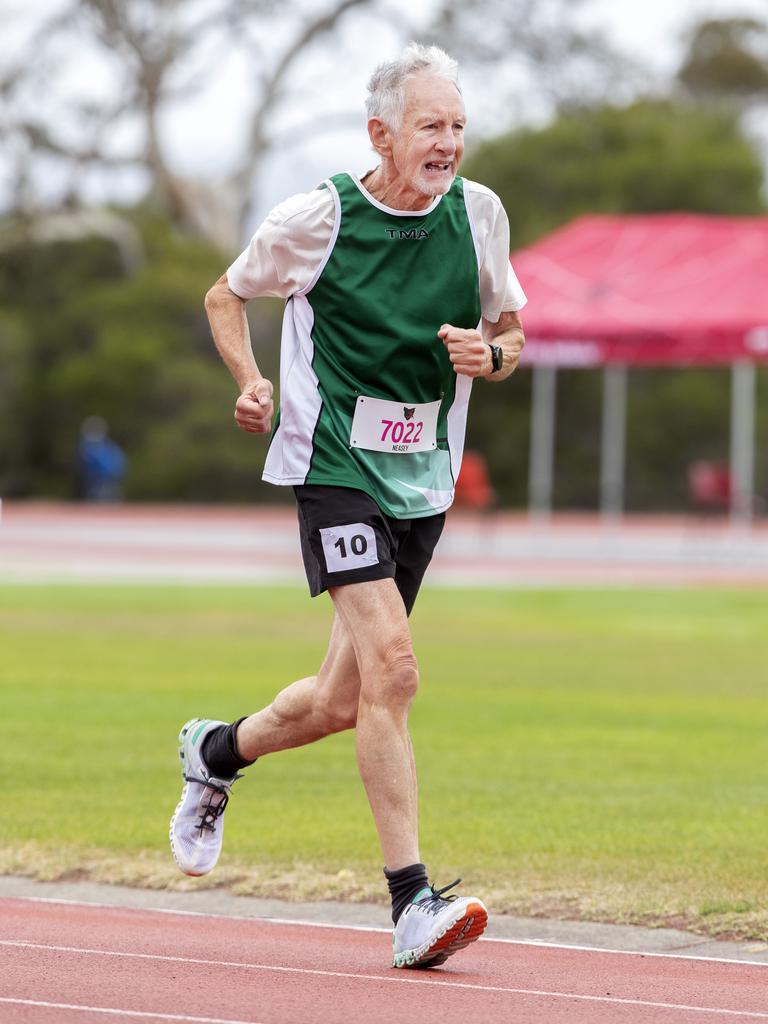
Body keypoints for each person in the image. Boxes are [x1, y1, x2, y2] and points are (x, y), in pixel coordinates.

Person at [170, 42, 526, 969]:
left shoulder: (480, 215)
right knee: (396, 670)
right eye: (429, 126)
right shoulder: (318, 216)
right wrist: (251, 381)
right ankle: (412, 904)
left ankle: (216, 752)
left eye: (457, 125)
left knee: (342, 698)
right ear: (382, 133)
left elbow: (512, 330)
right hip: (332, 462)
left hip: (424, 476)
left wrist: (495, 357)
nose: (448, 142)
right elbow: (225, 293)